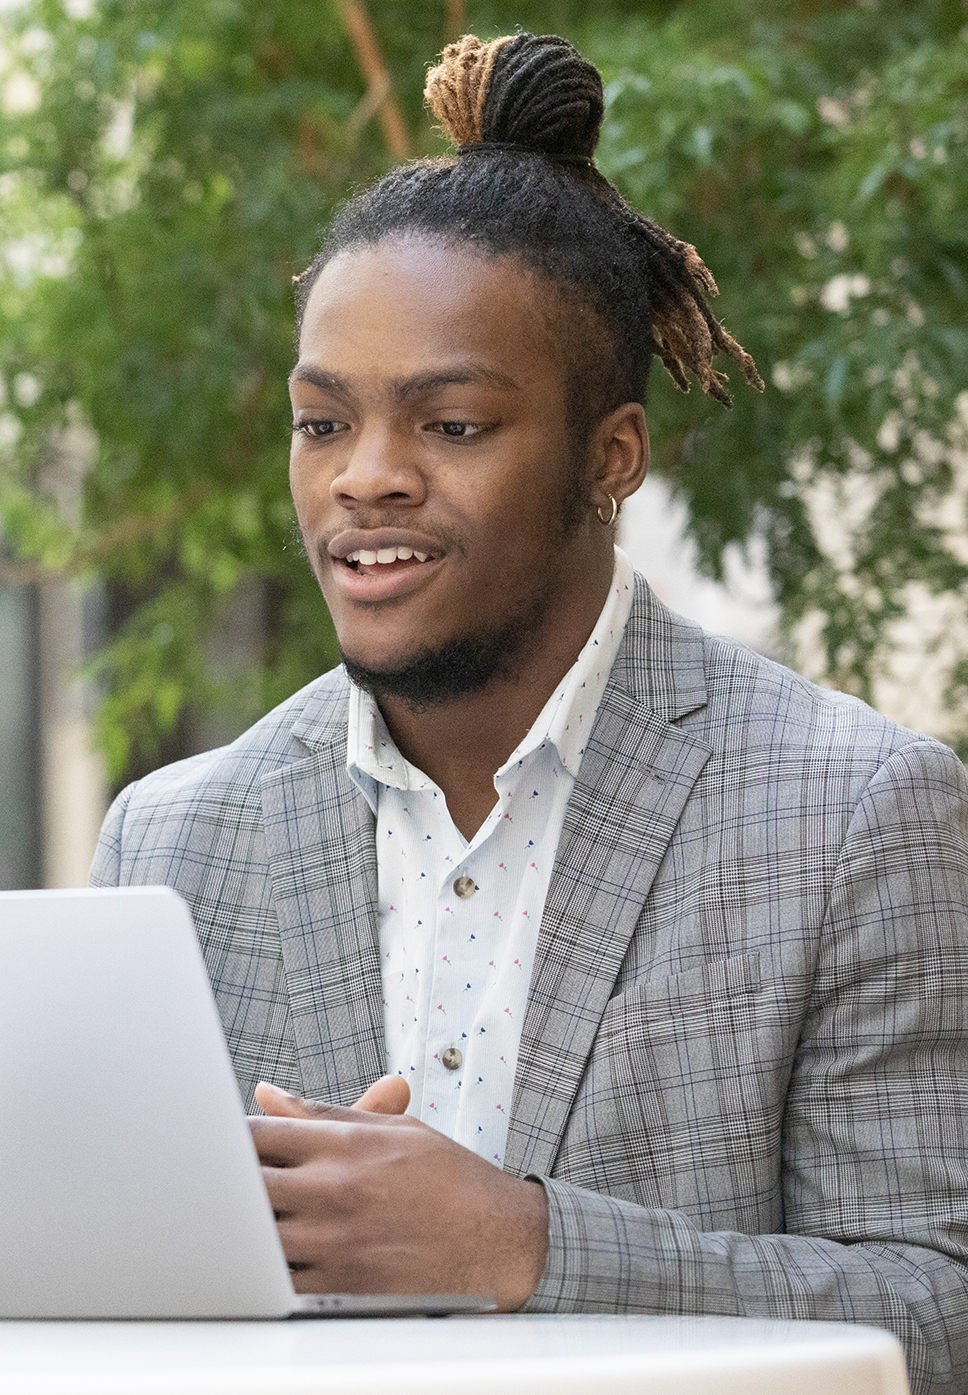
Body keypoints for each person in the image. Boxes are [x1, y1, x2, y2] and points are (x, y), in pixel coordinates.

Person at [90, 32, 968, 1394]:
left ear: (610, 457)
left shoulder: (854, 812)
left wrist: (529, 1242)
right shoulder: (173, 840)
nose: (364, 481)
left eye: (451, 427)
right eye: (322, 425)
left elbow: (940, 1307)